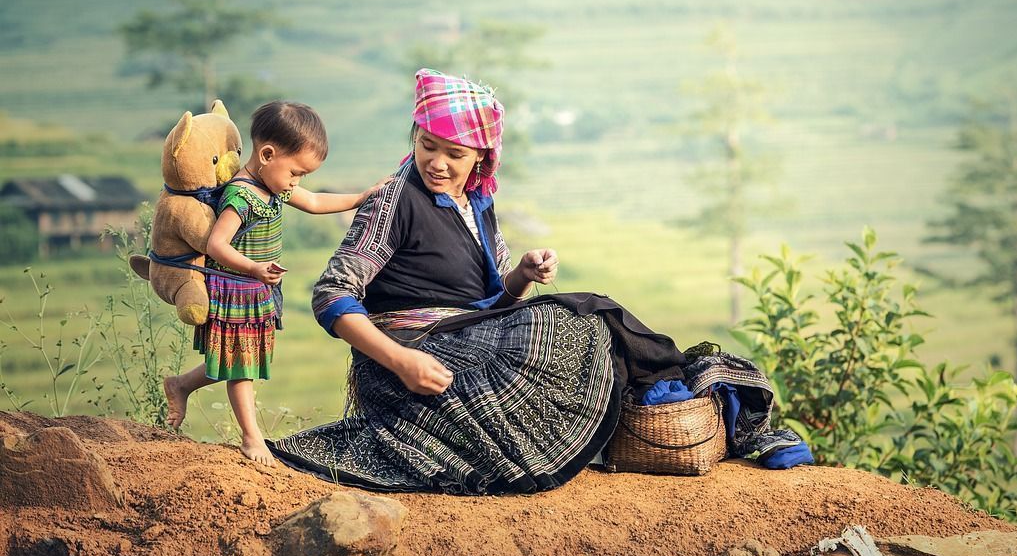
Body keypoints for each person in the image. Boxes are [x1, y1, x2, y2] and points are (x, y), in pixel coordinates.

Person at [269, 70, 804, 492]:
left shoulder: (479, 206)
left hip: (469, 340)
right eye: (427, 145)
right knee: (576, 319)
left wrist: (521, 276)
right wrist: (401, 361)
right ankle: (704, 402)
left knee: (581, 326)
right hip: (412, 356)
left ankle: (708, 409)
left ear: (480, 157)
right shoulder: (392, 200)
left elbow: (488, 304)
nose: (435, 162)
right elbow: (332, 293)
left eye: (453, 154)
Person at [164, 100, 387, 465]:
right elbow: (217, 244)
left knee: (240, 358)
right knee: (242, 367)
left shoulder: (273, 185)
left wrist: (361, 198)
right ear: (268, 154)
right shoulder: (242, 195)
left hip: (257, 290)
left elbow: (314, 201)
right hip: (237, 289)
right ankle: (252, 439)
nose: (298, 183)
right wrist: (253, 268)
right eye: (296, 173)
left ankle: (182, 384)